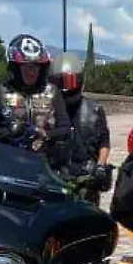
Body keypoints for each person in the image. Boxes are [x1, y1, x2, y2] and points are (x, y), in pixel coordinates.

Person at [0, 34, 70, 151]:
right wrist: (12, 131)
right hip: (8, 159)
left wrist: (46, 134)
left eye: (36, 66)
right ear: (15, 67)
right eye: (26, 66)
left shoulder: (53, 92)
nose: (32, 72)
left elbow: (65, 128)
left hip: (45, 161)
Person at [51, 53, 112, 203]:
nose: (65, 88)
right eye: (61, 82)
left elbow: (104, 141)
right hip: (55, 178)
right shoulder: (47, 110)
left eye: (69, 81)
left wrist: (100, 166)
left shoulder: (95, 110)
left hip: (86, 179)